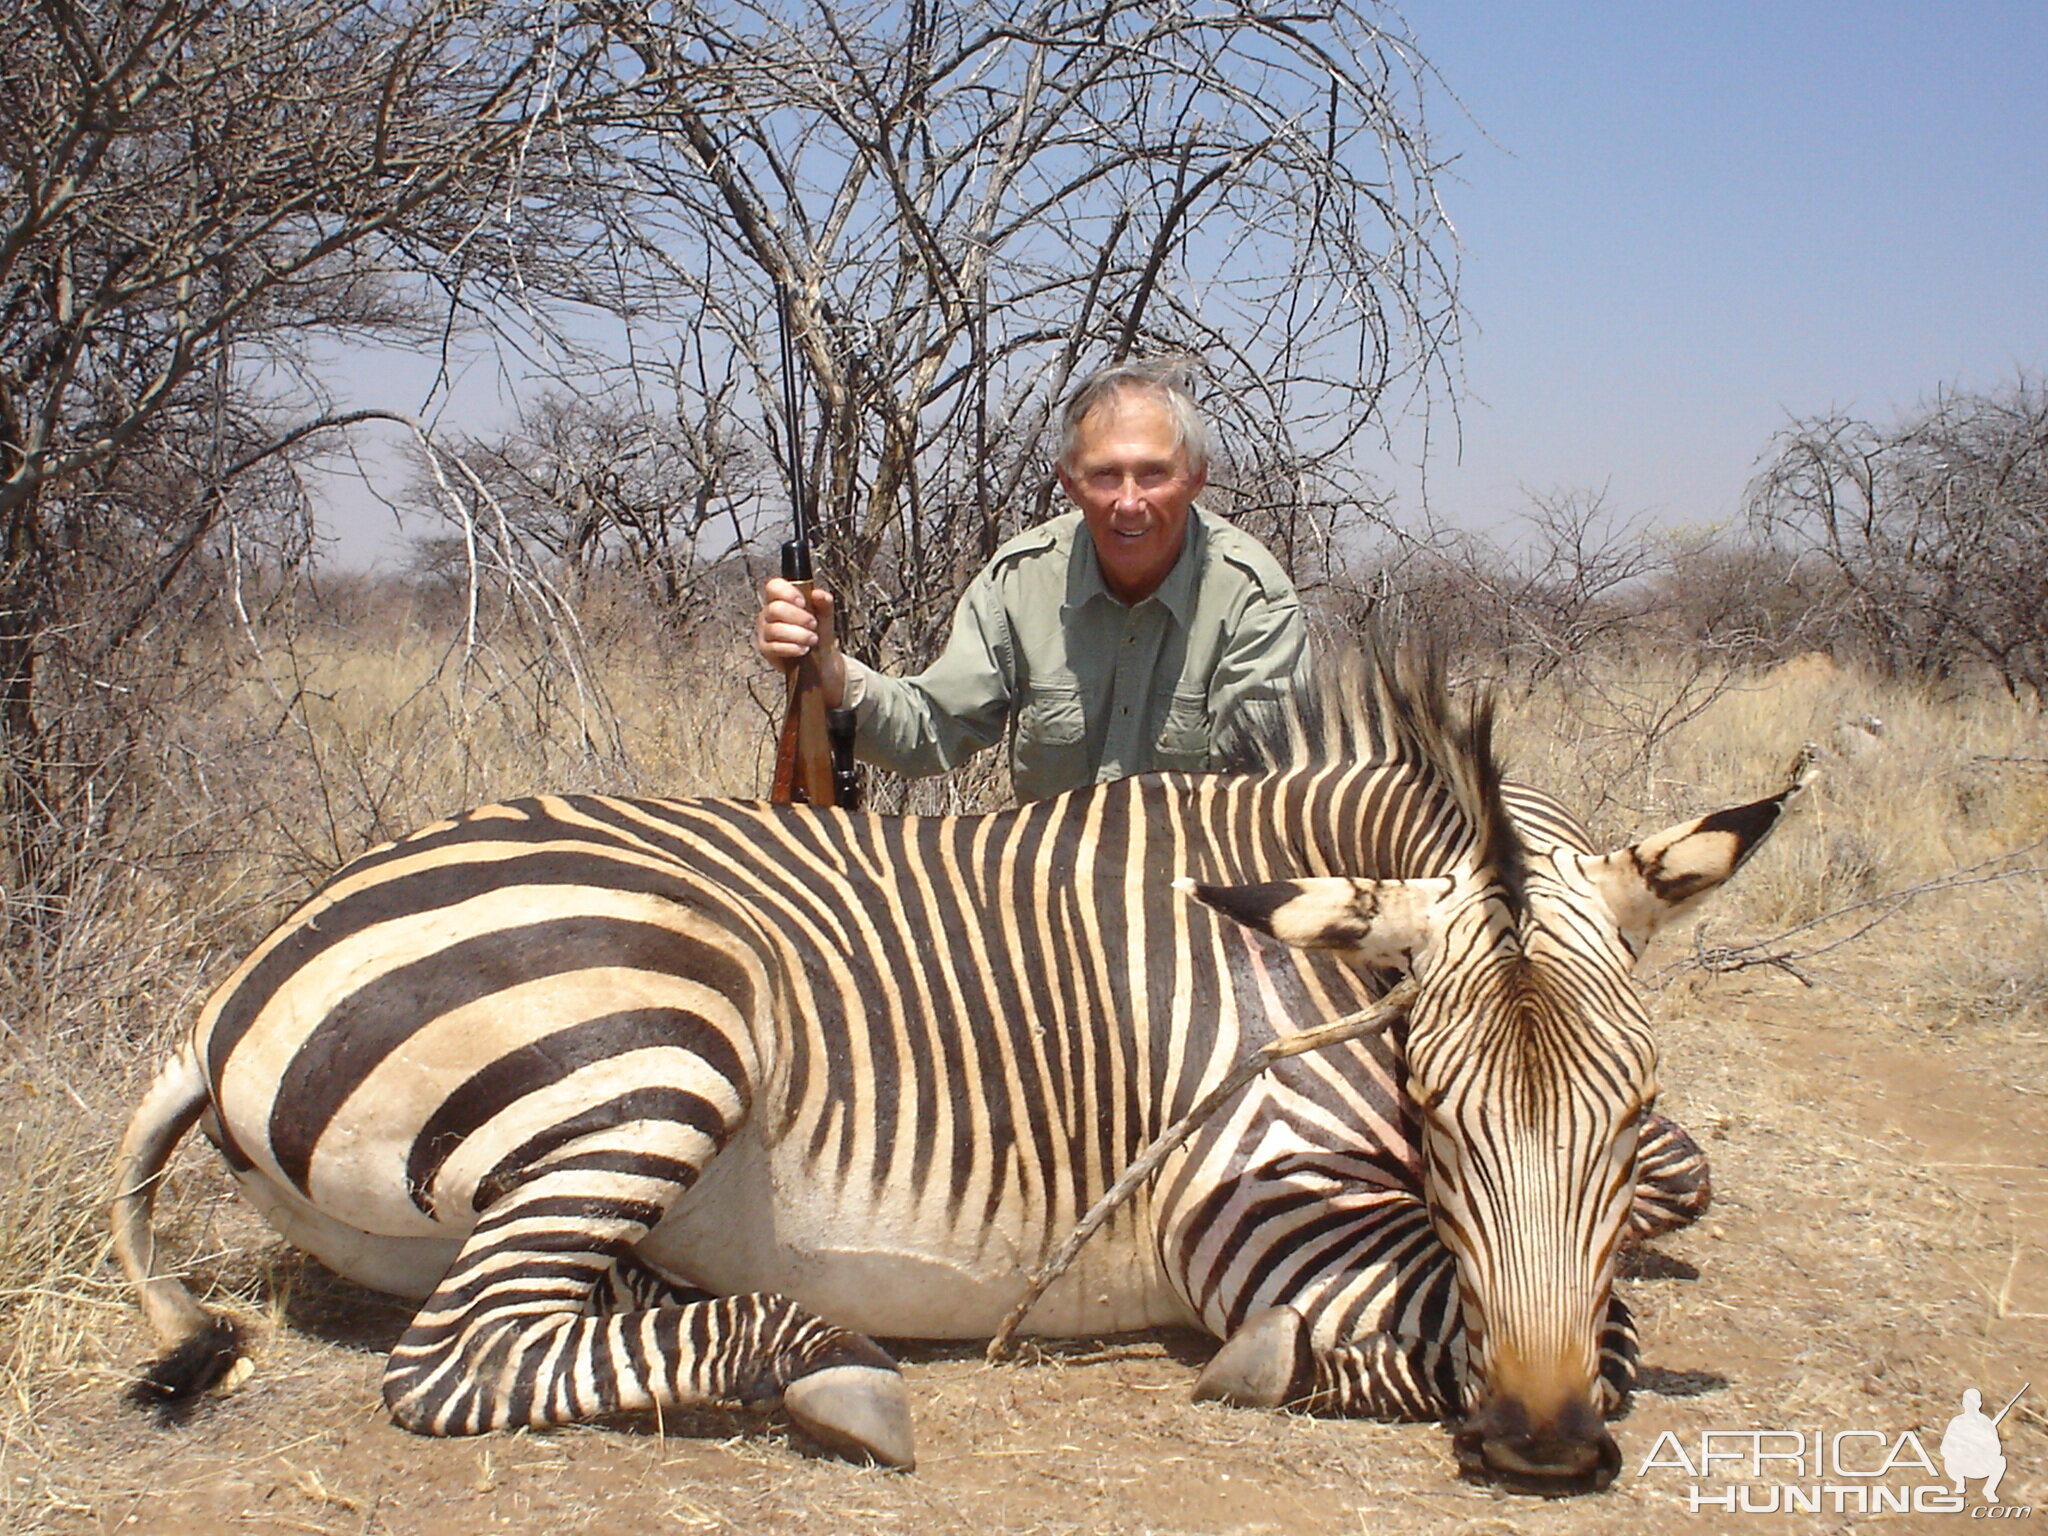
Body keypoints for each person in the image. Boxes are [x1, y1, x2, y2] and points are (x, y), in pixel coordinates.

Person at [754, 361, 1310, 804]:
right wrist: (828, 671)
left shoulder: (1253, 599)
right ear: (1069, 483)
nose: (1130, 503)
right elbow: (933, 728)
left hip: (1192, 891)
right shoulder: (1019, 582)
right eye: (1105, 475)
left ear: (1196, 480)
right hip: (1047, 894)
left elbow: (1266, 798)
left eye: (1154, 474)